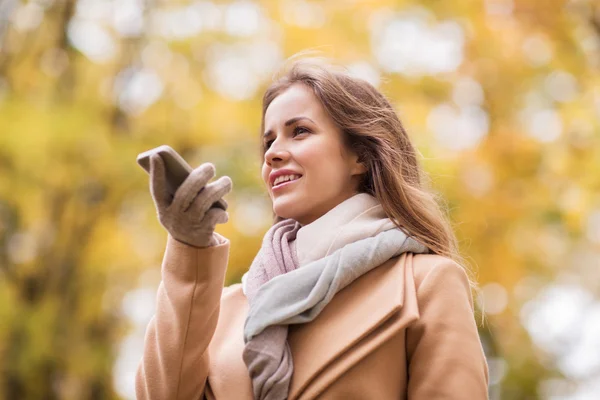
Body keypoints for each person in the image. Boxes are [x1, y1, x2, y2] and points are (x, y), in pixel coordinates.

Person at [136, 57, 489, 400]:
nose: (273, 153)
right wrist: (190, 251)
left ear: (360, 157)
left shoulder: (424, 283)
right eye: (268, 141)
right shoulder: (225, 307)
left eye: (299, 131)